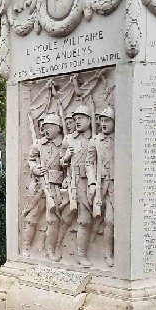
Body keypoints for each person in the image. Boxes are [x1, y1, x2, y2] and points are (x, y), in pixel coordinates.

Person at [22, 114, 64, 259]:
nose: (46, 130)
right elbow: (31, 159)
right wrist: (34, 168)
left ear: (58, 128)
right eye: (44, 127)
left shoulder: (63, 144)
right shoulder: (38, 144)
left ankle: (50, 251)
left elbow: (67, 166)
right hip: (40, 185)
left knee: (53, 220)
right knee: (32, 218)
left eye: (50, 127)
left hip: (55, 187)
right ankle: (26, 248)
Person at [60, 105, 94, 267]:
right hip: (74, 183)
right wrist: (67, 156)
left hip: (92, 183)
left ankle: (82, 253)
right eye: (76, 118)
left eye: (81, 118)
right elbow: (60, 162)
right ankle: (60, 248)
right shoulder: (69, 139)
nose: (77, 121)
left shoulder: (94, 139)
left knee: (88, 220)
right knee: (71, 218)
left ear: (89, 119)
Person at [86, 106, 115, 267]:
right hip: (100, 185)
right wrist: (91, 182)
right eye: (102, 121)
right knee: (107, 221)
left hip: (117, 185)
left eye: (107, 121)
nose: (104, 124)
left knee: (114, 220)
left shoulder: (119, 139)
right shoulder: (95, 140)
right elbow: (89, 163)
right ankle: (107, 254)